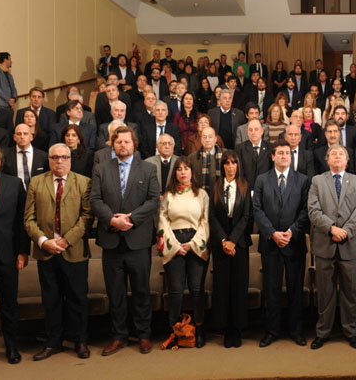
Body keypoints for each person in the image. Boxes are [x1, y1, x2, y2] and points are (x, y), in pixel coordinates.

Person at [90, 126, 160, 356]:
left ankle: (143, 335)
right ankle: (119, 336)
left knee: (141, 291)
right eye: (118, 142)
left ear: (134, 144)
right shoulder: (101, 169)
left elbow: (153, 201)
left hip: (138, 241)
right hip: (111, 241)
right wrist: (111, 220)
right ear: (112, 144)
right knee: (116, 293)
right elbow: (95, 199)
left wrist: (130, 218)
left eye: (127, 142)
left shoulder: (148, 169)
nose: (123, 145)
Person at [24, 143, 93, 361]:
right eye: (55, 157)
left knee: (77, 298)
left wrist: (66, 240)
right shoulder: (36, 182)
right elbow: (28, 218)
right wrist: (44, 241)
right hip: (46, 252)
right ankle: (53, 342)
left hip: (74, 250)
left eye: (64, 157)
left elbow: (87, 217)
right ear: (49, 160)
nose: (59, 161)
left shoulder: (83, 182)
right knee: (51, 299)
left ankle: (80, 341)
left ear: (70, 160)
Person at [308, 145, 356, 350]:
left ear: (347, 159)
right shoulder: (317, 181)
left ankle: (351, 331)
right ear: (327, 159)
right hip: (325, 244)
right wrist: (332, 228)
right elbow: (313, 210)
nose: (337, 157)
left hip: (349, 245)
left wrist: (346, 231)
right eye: (333, 154)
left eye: (341, 153)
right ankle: (322, 332)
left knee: (350, 292)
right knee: (325, 292)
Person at [253, 139, 310, 347]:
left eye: (288, 153)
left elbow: (306, 211)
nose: (285, 156)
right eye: (281, 153)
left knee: (296, 289)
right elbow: (257, 209)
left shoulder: (303, 180)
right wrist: (272, 233)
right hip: (270, 243)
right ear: (273, 156)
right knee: (272, 289)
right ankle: (272, 331)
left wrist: (291, 232)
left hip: (293, 243)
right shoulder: (261, 180)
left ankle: (296, 330)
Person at [157, 157, 209, 347]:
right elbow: (163, 222)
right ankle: (174, 333)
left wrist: (193, 243)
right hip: (174, 243)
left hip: (196, 242)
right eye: (179, 169)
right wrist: (176, 245)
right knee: (176, 291)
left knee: (197, 290)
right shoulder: (168, 195)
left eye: (186, 168)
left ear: (192, 172)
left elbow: (205, 221)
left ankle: (200, 331)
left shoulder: (201, 194)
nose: (183, 172)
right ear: (175, 173)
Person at [0, 142, 29, 366]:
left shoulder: (15, 184)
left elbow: (22, 221)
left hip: (8, 255)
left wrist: (23, 252)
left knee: (9, 305)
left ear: (1, 160)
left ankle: (12, 348)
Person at [208, 150, 251, 348]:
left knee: (239, 287)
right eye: (227, 163)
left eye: (234, 163)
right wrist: (224, 240)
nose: (230, 167)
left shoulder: (244, 186)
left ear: (238, 166)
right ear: (222, 166)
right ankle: (225, 329)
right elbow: (212, 218)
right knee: (223, 287)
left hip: (240, 245)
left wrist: (233, 240)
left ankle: (237, 329)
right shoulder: (214, 187)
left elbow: (246, 217)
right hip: (221, 245)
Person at [2, 123, 48, 190]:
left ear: (31, 137)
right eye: (19, 134)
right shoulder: (4, 154)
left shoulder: (43, 156)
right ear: (14, 137)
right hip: (13, 193)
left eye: (25, 134)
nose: (22, 137)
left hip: (37, 193)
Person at [237, 119, 273, 190]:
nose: (253, 132)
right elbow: (240, 172)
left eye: (256, 129)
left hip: (266, 190)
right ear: (247, 132)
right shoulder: (240, 148)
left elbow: (272, 171)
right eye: (250, 130)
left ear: (262, 131)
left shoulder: (270, 148)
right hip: (246, 190)